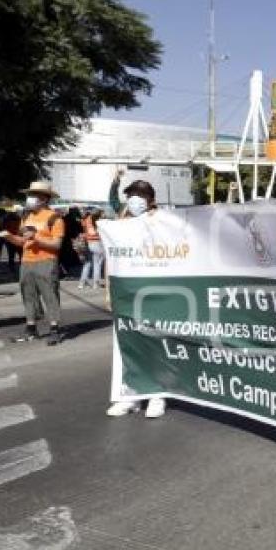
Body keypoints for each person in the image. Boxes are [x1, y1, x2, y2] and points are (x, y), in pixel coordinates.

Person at [105, 180, 167, 419]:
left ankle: (157, 395)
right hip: (126, 292)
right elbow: (112, 258)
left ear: (151, 199)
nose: (135, 200)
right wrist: (108, 290)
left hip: (153, 292)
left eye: (140, 195)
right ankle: (129, 395)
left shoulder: (163, 223)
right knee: (125, 344)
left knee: (153, 343)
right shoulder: (120, 224)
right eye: (131, 195)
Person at [2, 181, 66, 345]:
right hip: (27, 261)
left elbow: (56, 245)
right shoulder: (27, 216)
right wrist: (9, 237)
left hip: (46, 261)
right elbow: (24, 242)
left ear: (44, 198)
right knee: (28, 295)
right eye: (30, 194)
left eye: (34, 195)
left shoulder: (54, 218)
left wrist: (35, 237)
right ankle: (31, 329)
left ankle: (55, 329)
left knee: (50, 295)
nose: (30, 198)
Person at [78, 208, 105, 289]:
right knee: (97, 264)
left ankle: (81, 283)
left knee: (87, 263)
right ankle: (96, 284)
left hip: (88, 243)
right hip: (97, 243)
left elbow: (84, 229)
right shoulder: (99, 222)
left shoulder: (86, 220)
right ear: (98, 214)